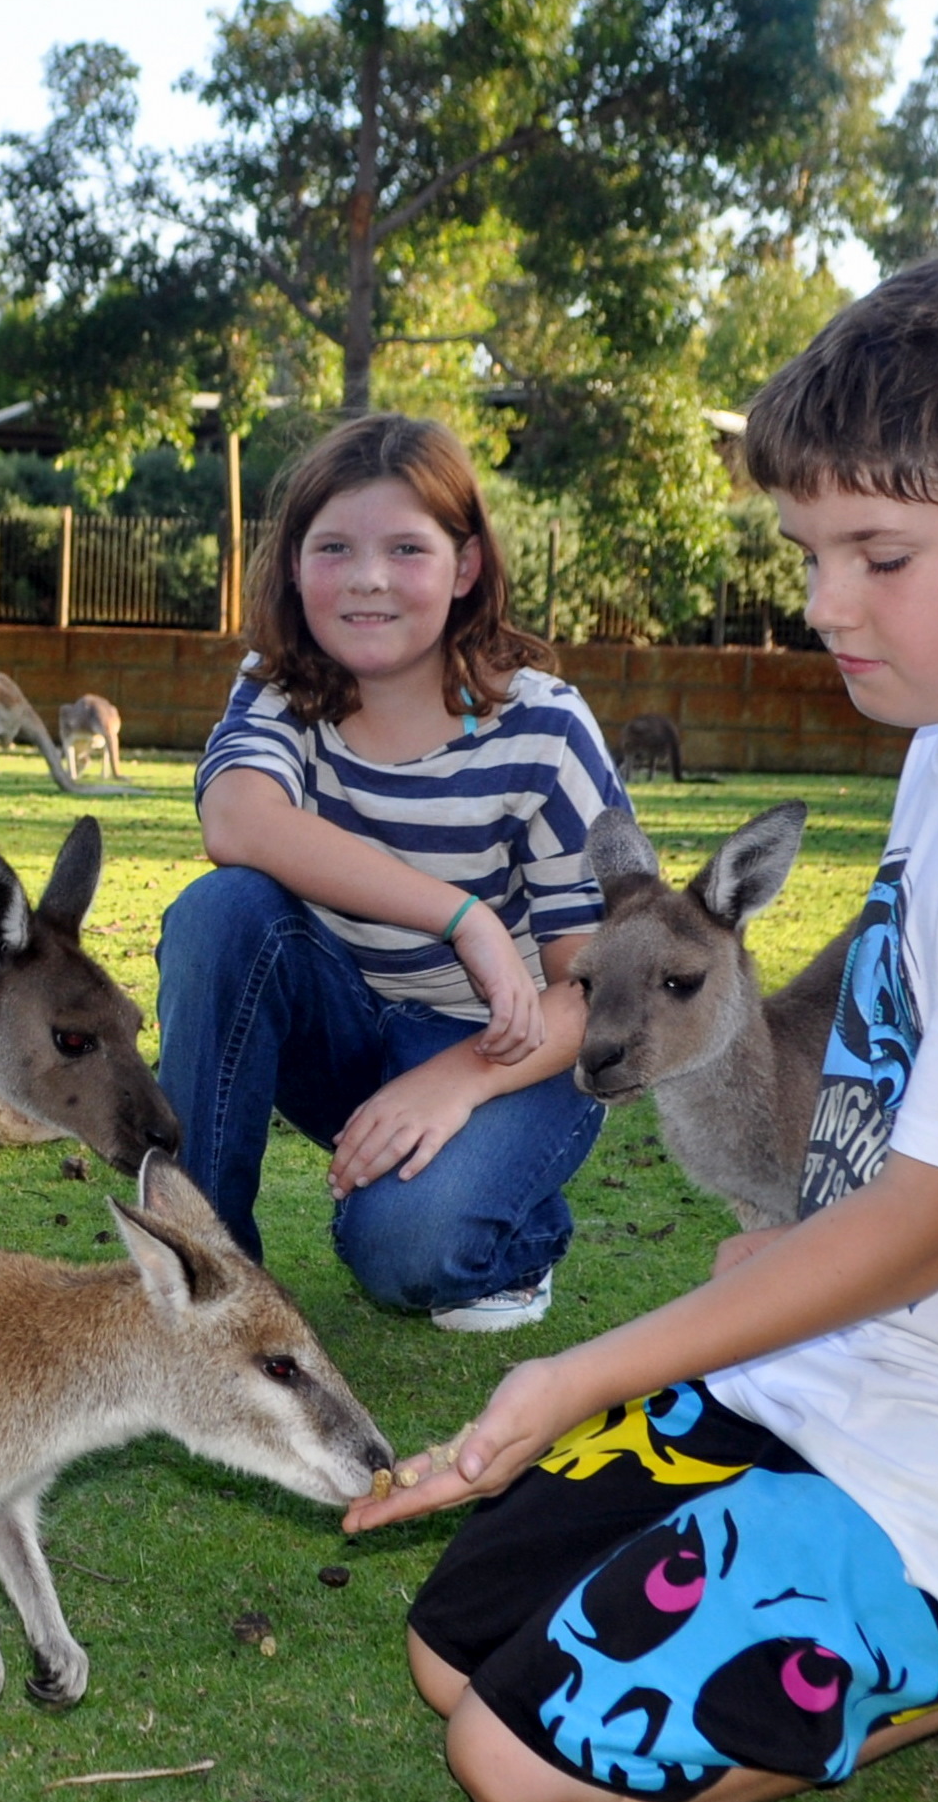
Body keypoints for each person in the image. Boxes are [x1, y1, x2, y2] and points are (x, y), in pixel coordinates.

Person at [346, 244, 938, 1802]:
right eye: (807, 551)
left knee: (516, 1766)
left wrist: (580, 1369)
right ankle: (894, 1586)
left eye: (876, 553)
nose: (820, 604)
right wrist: (767, 1280)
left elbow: (930, 1225)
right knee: (451, 1653)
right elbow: (894, 1114)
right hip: (861, 1367)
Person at [157, 413, 623, 1332]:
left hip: (510, 1048)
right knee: (221, 913)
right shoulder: (280, 685)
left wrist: (455, 1079)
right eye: (334, 547)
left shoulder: (544, 728)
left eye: (406, 548)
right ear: (294, 566)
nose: (367, 578)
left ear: (466, 567)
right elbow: (236, 820)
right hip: (349, 1026)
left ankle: (518, 1231)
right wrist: (465, 917)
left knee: (404, 1256)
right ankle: (202, 1275)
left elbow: (602, 989)